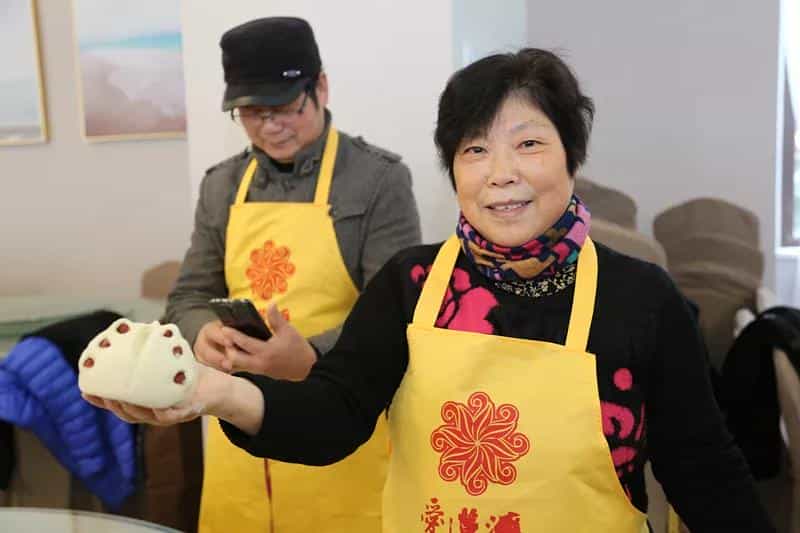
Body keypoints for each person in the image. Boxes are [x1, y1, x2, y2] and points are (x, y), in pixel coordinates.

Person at [89, 49, 774, 532]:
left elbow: (705, 472)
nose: (500, 172)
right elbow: (332, 416)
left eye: (528, 144)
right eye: (474, 150)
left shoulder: (642, 299)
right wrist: (213, 392)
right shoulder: (413, 284)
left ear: (572, 155)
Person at [161, 16, 421, 533]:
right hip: (238, 430)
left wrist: (309, 356)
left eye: (283, 107)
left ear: (319, 87)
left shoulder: (377, 180)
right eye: (251, 113)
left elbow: (397, 314)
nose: (269, 127)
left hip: (339, 424)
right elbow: (187, 296)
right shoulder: (222, 185)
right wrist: (203, 334)